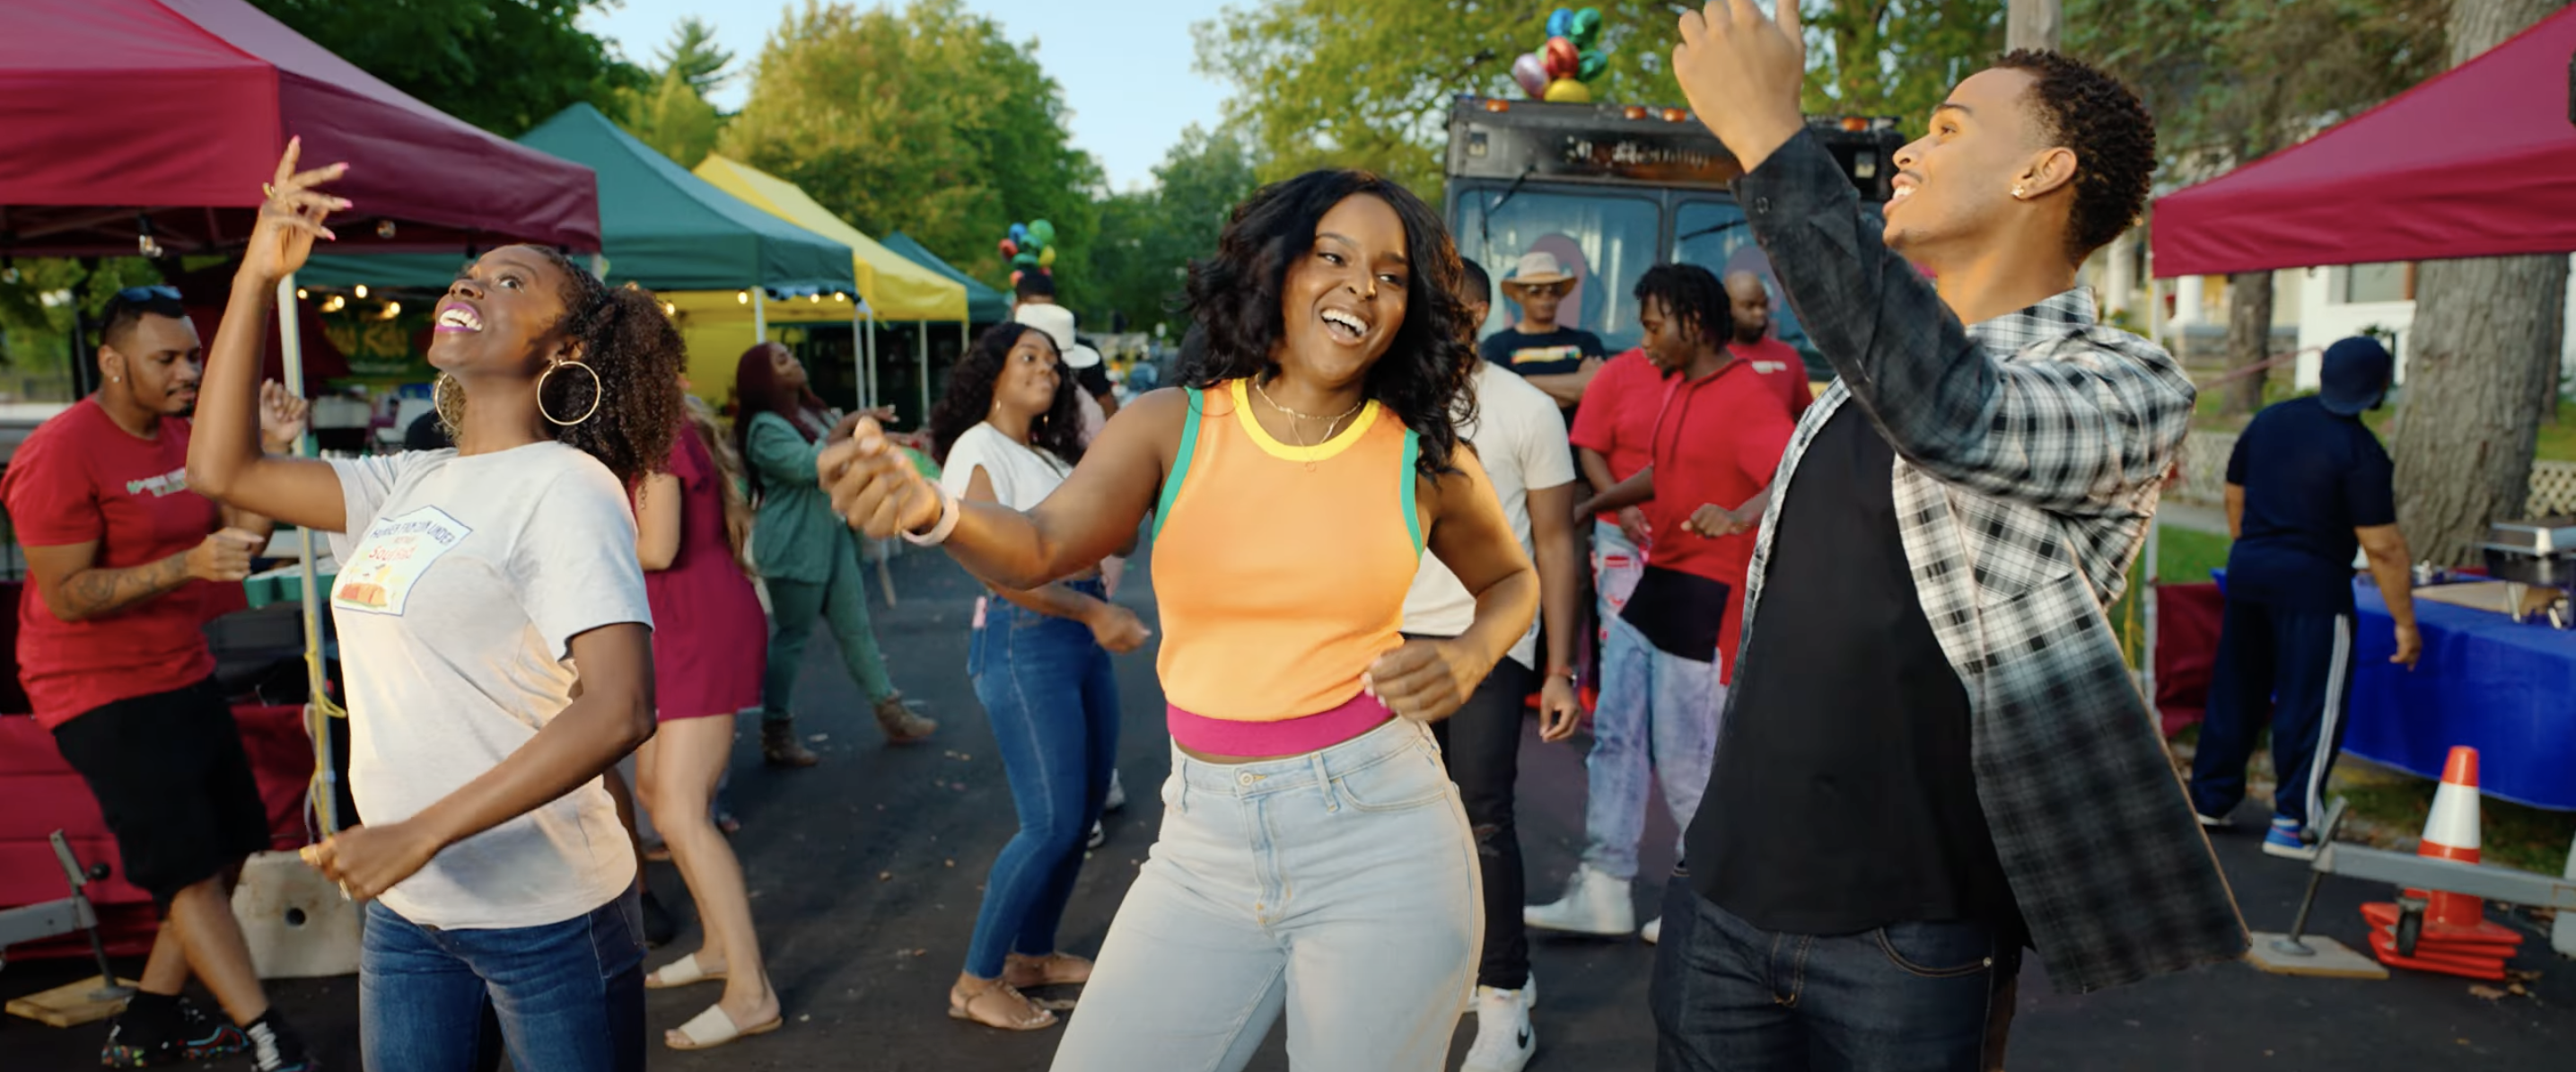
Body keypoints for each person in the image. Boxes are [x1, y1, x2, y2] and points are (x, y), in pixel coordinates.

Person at [819, 169, 1539, 1072]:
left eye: (1391, 274)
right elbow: (1042, 541)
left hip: (1380, 833)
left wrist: (1471, 657)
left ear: (1409, 308)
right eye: (1332, 256)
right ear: (1277, 271)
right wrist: (934, 511)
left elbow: (1514, 580)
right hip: (1202, 840)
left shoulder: (1425, 457)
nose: (1362, 285)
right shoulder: (1175, 423)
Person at [1653, 9, 2247, 1070]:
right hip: (1722, 904)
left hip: (1910, 938)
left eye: (1945, 125)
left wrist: (1768, 135)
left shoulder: (2123, 383)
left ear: (2041, 171)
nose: (1906, 150)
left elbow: (1957, 413)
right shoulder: (1846, 393)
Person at [188, 140, 687, 1072]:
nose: (473, 284)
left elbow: (620, 707)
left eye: (510, 282)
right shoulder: (408, 481)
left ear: (564, 348)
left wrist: (418, 833)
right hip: (413, 913)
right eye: (470, 273)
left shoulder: (566, 484)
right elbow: (224, 470)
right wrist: (258, 277)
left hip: (545, 913)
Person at [4, 286, 316, 1072]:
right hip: (92, 687)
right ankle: (272, 1035)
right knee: (185, 867)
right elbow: (70, 596)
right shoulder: (59, 453)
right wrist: (184, 562)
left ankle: (147, 1023)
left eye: (193, 356)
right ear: (113, 363)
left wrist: (272, 448)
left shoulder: (187, 438)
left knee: (232, 849)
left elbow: (237, 539)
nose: (188, 371)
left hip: (180, 667)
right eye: (167, 358)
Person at [1535, 264, 1794, 945]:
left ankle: (1709, 902)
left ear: (1695, 324)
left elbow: (1794, 475)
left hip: (1711, 598)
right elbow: (1666, 471)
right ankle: (1604, 888)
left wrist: (1739, 517)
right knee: (1615, 734)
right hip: (1661, 581)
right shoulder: (1680, 387)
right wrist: (1596, 502)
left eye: (1654, 325)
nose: (1645, 339)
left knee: (1687, 763)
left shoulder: (1747, 398)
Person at [926, 322, 1149, 1031]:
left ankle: (1031, 955)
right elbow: (992, 566)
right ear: (989, 373)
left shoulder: (1053, 456)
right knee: (1050, 821)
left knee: (1081, 810)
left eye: (1053, 362)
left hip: (1079, 627)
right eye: (1029, 357)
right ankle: (976, 980)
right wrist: (1089, 612)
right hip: (1029, 639)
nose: (1046, 370)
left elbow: (1121, 534)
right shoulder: (978, 451)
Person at [1400, 256, 1584, 1072]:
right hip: (1391, 639)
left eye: (1455, 309)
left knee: (1482, 815)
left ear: (1478, 313)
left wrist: (1558, 666)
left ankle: (1505, 995)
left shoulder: (1525, 408)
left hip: (1488, 642)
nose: (1443, 321)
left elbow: (1555, 540)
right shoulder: (1387, 404)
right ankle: (1436, 967)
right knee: (1402, 820)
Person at [2190, 336, 2420, 857]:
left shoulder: (2272, 420)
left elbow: (2234, 493)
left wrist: (2251, 548)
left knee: (2236, 688)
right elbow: (2382, 546)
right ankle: (2292, 822)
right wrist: (2405, 622)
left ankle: (2210, 799)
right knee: (2309, 699)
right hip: (2314, 585)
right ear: (2379, 386)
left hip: (2249, 570)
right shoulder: (2361, 451)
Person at [630, 391, 780, 1050]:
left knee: (684, 810)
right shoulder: (648, 424)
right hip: (678, 625)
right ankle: (720, 948)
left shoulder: (655, 428)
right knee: (658, 797)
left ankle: (752, 992)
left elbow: (657, 547)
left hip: (701, 624)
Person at [734, 340, 936, 762]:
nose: (794, 361)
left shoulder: (814, 412)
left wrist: (896, 442)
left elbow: (851, 455)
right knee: (792, 638)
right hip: (794, 547)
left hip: (833, 541)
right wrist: (849, 423)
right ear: (763, 378)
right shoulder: (764, 427)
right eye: (782, 359)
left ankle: (890, 710)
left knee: (857, 628)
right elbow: (813, 466)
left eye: (790, 354)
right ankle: (777, 730)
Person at [1480, 250, 1607, 417]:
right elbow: (1501, 398)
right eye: (1536, 292)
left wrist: (1522, 381)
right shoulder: (1497, 345)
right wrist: (1575, 386)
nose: (1546, 299)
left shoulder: (1586, 342)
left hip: (1574, 441)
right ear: (1519, 295)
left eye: (1553, 291)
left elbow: (1599, 389)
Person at [1722, 270, 1814, 417]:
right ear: (1726, 307)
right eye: (1749, 306)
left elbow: (1804, 416)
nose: (1760, 313)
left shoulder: (1788, 356)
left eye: (1764, 305)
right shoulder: (1711, 358)